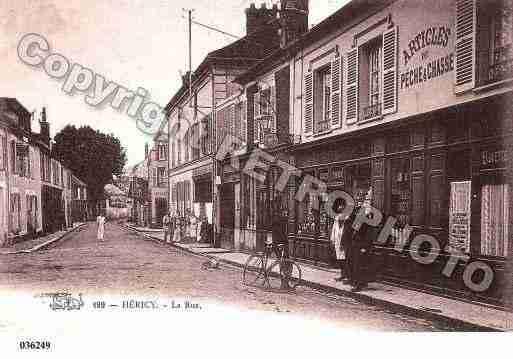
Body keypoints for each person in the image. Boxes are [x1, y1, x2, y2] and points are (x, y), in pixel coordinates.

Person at [331, 204, 350, 282]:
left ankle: (347, 275)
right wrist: (332, 239)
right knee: (339, 258)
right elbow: (334, 229)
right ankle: (342, 274)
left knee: (345, 259)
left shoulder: (347, 219)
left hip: (344, 241)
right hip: (337, 241)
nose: (340, 214)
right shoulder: (336, 219)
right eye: (339, 212)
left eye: (341, 212)